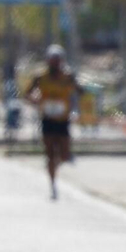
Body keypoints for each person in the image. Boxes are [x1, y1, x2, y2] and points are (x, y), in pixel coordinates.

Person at [24, 45, 82, 200]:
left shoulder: (68, 76)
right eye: (52, 60)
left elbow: (80, 91)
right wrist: (34, 100)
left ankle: (54, 167)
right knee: (49, 153)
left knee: (64, 154)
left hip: (63, 120)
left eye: (58, 60)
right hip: (47, 119)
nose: (55, 63)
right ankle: (53, 185)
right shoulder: (40, 77)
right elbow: (27, 94)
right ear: (48, 61)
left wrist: (76, 106)